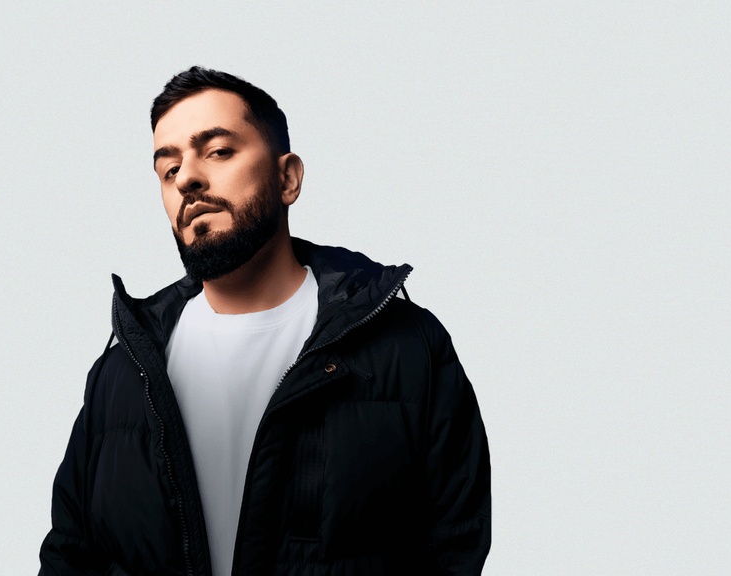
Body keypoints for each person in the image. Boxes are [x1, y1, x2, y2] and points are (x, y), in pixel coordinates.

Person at [39, 66, 491, 576]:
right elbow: (70, 554)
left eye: (217, 151)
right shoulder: (123, 372)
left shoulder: (408, 347)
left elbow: (456, 545)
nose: (186, 178)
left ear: (287, 178)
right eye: (169, 169)